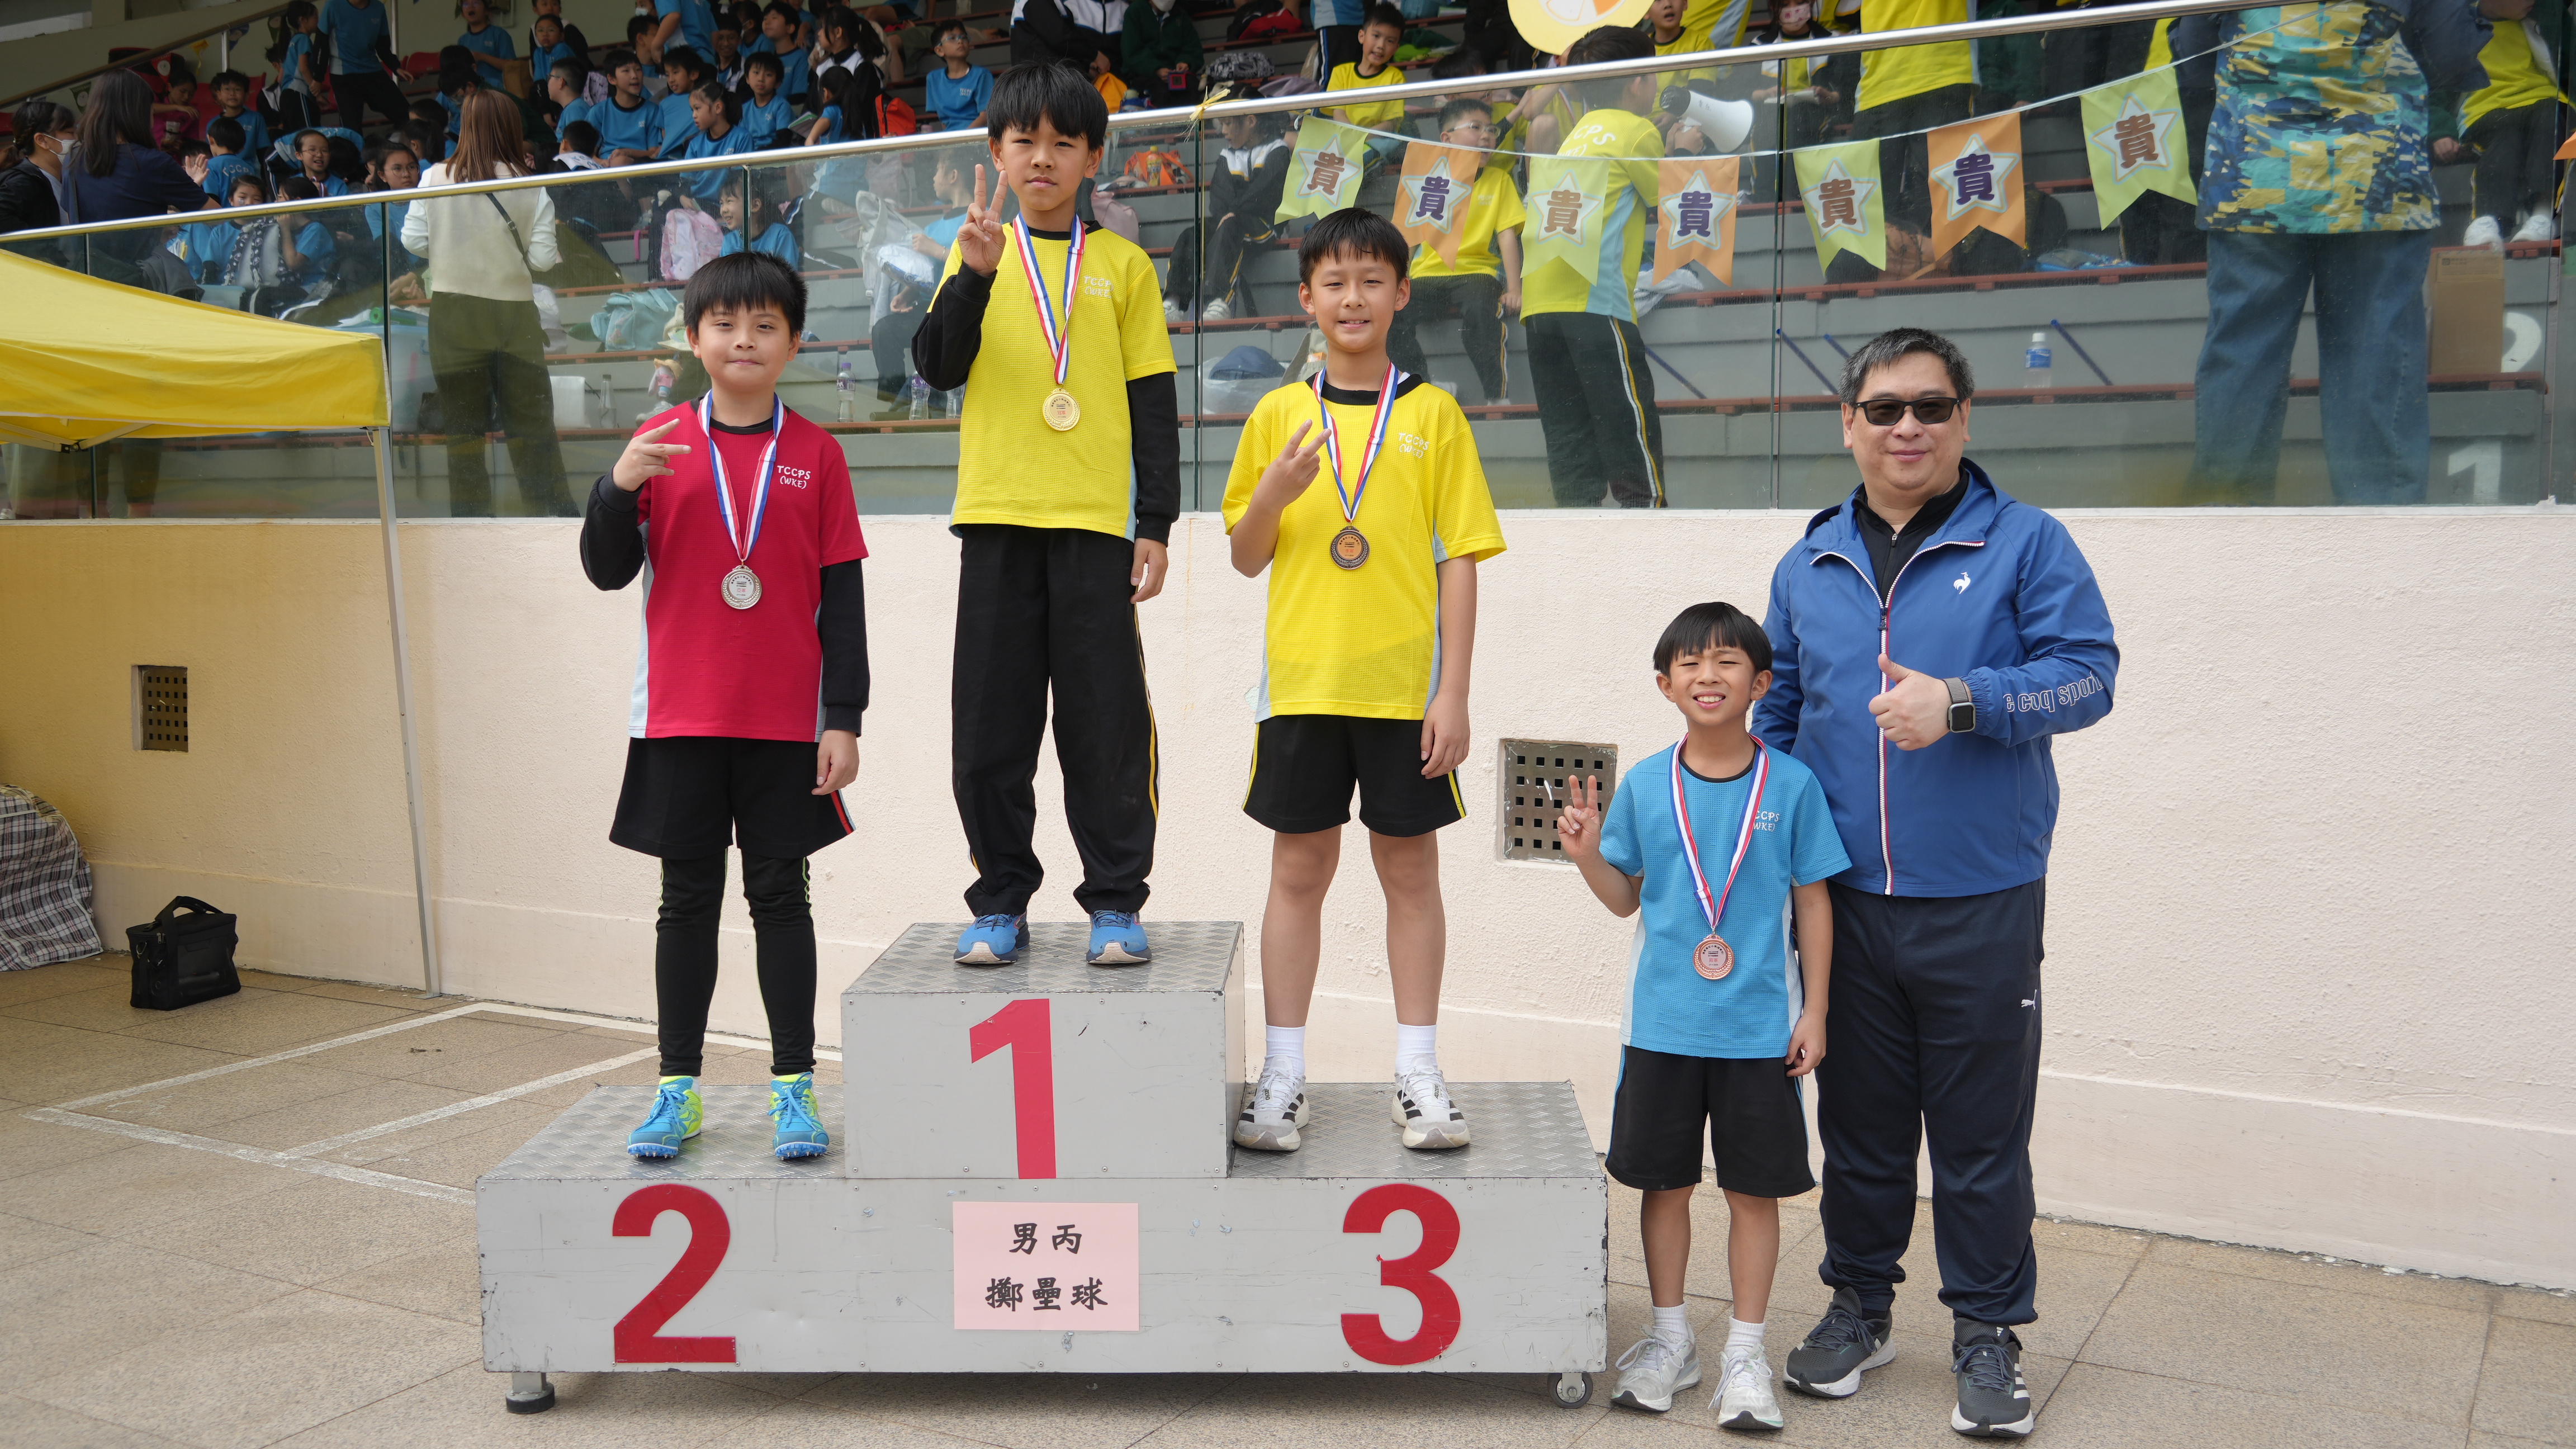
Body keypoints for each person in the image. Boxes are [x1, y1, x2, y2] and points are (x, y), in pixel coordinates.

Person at [1749, 327, 2118, 1441]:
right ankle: (1858, 1308)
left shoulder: (2026, 543)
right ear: (1847, 424)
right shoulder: (1809, 561)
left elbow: (2087, 677)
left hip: (1982, 897)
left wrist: (1960, 701)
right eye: (1883, 408)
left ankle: (1988, 1330)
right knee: (1858, 1126)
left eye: (1928, 406)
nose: (1905, 426)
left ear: (1963, 419)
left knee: (1979, 1134)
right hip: (1844, 905)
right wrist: (1751, 836)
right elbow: (1781, 709)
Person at [1221, 207, 1504, 1156]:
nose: (1353, 298)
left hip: (1403, 693)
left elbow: (1459, 560)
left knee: (1410, 873)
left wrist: (1453, 692)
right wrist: (1271, 495)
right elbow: (1245, 556)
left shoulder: (1432, 416)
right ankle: (1283, 1074)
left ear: (1401, 294)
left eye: (1371, 280)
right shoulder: (1277, 415)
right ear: (1306, 298)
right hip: (1302, 689)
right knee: (1297, 873)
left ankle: (1418, 1071)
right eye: (1334, 282)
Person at [580, 251, 869, 1164]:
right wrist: (615, 488)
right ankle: (678, 1090)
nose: (744, 339)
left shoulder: (817, 454)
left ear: (793, 342)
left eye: (765, 325)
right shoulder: (660, 441)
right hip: (682, 715)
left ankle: (794, 1089)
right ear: (694, 337)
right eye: (725, 324)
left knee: (781, 899)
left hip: (786, 723)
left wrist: (844, 716)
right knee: (686, 902)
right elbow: (605, 570)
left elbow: (844, 599)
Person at [909, 63, 1176, 967]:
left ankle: (1116, 901)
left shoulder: (1124, 267)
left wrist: (1155, 521)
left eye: (1065, 143)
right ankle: (999, 901)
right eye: (1024, 141)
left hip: (1096, 528)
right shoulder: (974, 254)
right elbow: (937, 368)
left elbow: (1153, 404)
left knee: (1105, 726)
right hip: (995, 520)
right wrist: (973, 277)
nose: (1043, 158)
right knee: (990, 727)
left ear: (1093, 158)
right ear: (996, 152)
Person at [1557, 601, 1843, 1428]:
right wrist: (1586, 856)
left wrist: (1817, 1011)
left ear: (1761, 683)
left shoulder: (1792, 785)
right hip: (1663, 1028)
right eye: (1690, 663)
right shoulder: (1648, 785)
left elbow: (1814, 903)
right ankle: (1671, 1339)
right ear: (1665, 684)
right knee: (1664, 1184)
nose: (1707, 676)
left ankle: (1746, 1354)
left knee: (1755, 1193)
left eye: (1727, 662)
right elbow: (1625, 900)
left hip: (1760, 1032)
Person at [2175, 0, 2489, 504]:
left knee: (2244, 357)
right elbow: (2452, 54)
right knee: (2375, 356)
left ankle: (2227, 521)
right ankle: (2381, 526)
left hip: (2257, 179)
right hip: (2376, 180)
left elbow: (2192, 55)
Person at [402, 89, 573, 517]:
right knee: (531, 424)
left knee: (463, 430)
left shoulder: (434, 177)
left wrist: (452, 246)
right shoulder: (529, 184)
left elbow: (413, 240)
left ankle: (471, 523)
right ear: (513, 128)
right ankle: (548, 515)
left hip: (453, 313)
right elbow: (542, 261)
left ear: (466, 126)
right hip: (514, 316)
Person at [1521, 25, 1665, 508]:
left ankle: (1577, 524)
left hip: (1540, 302)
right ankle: (1648, 521)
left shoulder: (1575, 136)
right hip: (1594, 296)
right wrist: (1684, 148)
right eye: (1652, 74)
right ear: (1636, 82)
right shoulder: (1637, 131)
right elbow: (1672, 201)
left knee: (1568, 434)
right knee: (1627, 420)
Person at [1386, 95, 1522, 404]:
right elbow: (1408, 239)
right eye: (1476, 127)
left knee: (1480, 313)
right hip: (1426, 275)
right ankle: (1423, 388)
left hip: (1477, 273)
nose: (1487, 135)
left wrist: (1514, 289)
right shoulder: (1426, 181)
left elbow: (1507, 236)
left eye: (1491, 129)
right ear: (1446, 139)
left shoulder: (1499, 180)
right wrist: (1396, 281)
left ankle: (1496, 397)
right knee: (1389, 313)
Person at [1847, 0, 1971, 268]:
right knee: (1867, 206)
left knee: (1939, 204)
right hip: (1882, 82)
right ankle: (1874, 276)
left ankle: (1938, 276)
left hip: (1940, 72)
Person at [2441, 0, 2566, 248]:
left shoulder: (2544, 16)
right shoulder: (2457, 25)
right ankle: (2488, 219)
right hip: (2486, 108)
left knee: (2551, 122)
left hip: (2543, 98)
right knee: (2504, 137)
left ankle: (2543, 214)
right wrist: (2440, 131)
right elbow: (2437, 86)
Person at [1163, 108, 1288, 322]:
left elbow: (1265, 193)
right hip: (1230, 222)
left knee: (1229, 226)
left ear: (1251, 121)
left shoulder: (1277, 149)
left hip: (1264, 225)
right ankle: (1173, 302)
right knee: (1192, 234)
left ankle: (1219, 302)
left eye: (1228, 123)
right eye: (1222, 124)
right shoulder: (1227, 155)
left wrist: (1233, 213)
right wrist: (1229, 214)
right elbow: (1218, 198)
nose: (1223, 131)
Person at [1325, 3, 1410, 157]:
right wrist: (1353, 138)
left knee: (1377, 149)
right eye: (1376, 36)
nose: (1381, 46)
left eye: (1390, 41)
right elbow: (1338, 115)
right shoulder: (1341, 73)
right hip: (1345, 138)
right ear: (1362, 36)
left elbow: (1390, 124)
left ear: (1396, 48)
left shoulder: (1395, 77)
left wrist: (1362, 138)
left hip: (1377, 140)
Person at [319, 0, 414, 129]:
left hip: (372, 71)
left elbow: (383, 46)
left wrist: (396, 67)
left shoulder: (378, 8)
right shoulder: (333, 6)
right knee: (352, 129)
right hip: (344, 75)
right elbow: (321, 44)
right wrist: (317, 78)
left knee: (408, 117)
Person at [0, 100, 79, 250]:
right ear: (42, 140)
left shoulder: (63, 179)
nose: (76, 139)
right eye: (70, 132)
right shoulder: (25, 181)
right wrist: (43, 251)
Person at [679, 80, 753, 202]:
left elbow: (740, 180)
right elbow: (686, 182)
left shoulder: (742, 138)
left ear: (718, 107)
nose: (694, 115)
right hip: (696, 204)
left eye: (697, 108)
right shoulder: (694, 144)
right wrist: (683, 198)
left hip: (726, 205)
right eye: (693, 110)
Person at [1121, 0, 1201, 107]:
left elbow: (1193, 48)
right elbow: (1132, 51)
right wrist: (1156, 69)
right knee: (1161, 93)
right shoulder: (1135, 12)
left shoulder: (1180, 15)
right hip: (1143, 74)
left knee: (1192, 86)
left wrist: (1185, 62)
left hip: (1176, 74)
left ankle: (1192, 119)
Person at [593, 49, 664, 162]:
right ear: (612, 79)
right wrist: (601, 163)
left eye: (638, 70)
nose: (635, 76)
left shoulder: (652, 111)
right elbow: (588, 154)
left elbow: (654, 152)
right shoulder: (599, 111)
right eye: (626, 71)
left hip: (641, 166)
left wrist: (627, 152)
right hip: (606, 167)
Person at [924, 20, 995, 130]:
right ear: (939, 50)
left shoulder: (982, 75)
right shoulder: (933, 79)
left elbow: (986, 115)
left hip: (976, 135)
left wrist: (963, 138)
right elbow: (943, 120)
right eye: (952, 38)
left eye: (964, 37)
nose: (960, 41)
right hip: (950, 137)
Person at [271, 2, 326, 132]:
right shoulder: (303, 39)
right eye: (315, 16)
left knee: (295, 137)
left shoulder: (292, 42)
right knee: (308, 134)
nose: (318, 20)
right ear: (303, 20)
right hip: (298, 93)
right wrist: (317, 94)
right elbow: (304, 68)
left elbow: (280, 79)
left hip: (286, 96)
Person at [720, 173, 799, 262]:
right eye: (721, 203)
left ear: (755, 205)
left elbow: (787, 270)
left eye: (729, 201)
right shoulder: (729, 242)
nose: (723, 210)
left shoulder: (780, 235)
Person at [753, 0, 816, 106]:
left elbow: (799, 96)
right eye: (765, 19)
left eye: (774, 18)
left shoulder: (801, 58)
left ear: (790, 28)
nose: (767, 22)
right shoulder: (768, 59)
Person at [657, 46, 712, 153]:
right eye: (667, 75)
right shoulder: (664, 104)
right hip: (666, 158)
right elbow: (665, 139)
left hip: (695, 154)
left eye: (676, 72)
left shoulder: (707, 98)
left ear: (693, 74)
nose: (671, 80)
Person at [208, 69, 272, 159]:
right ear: (219, 95)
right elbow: (210, 153)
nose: (232, 94)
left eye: (237, 89)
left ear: (246, 95)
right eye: (227, 89)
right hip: (222, 167)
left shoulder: (256, 118)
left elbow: (263, 150)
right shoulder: (213, 124)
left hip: (249, 167)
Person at [458, 0, 518, 89]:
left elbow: (512, 67)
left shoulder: (499, 34)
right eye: (466, 4)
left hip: (497, 90)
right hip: (472, 92)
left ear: (486, 11)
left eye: (476, 3)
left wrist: (483, 57)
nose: (471, 7)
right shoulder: (462, 40)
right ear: (463, 14)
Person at [739, 51, 795, 144]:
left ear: (778, 83)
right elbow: (741, 140)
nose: (761, 79)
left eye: (768, 75)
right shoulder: (745, 109)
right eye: (756, 72)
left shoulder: (782, 106)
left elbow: (784, 141)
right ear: (747, 78)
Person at [531, 12, 575, 83]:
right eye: (541, 31)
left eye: (551, 30)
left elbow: (559, 81)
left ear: (562, 36)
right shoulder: (538, 53)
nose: (545, 34)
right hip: (552, 88)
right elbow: (539, 81)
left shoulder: (561, 49)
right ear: (536, 35)